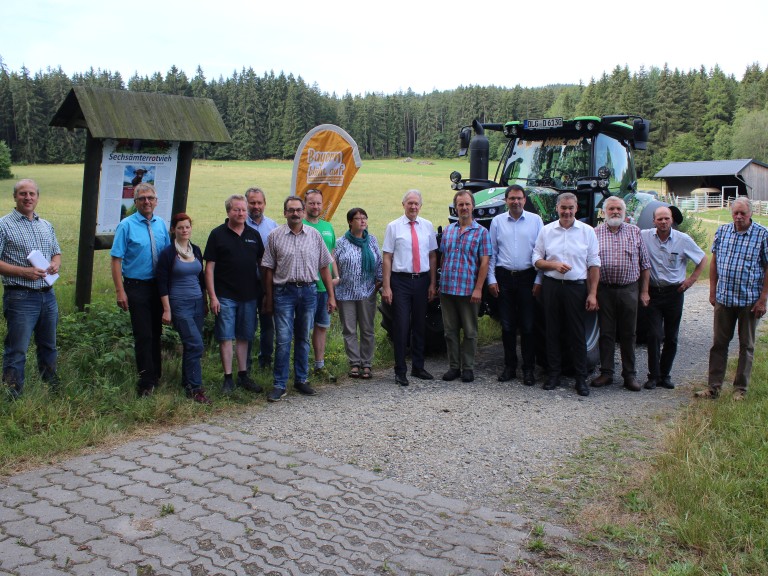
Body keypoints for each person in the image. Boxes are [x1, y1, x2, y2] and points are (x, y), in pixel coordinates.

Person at [261, 196, 336, 402]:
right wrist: (268, 297)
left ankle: (301, 380)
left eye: (298, 210)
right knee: (284, 340)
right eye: (291, 210)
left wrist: (331, 295)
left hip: (309, 292)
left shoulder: (314, 235)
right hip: (283, 292)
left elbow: (324, 267)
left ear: (303, 212)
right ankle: (279, 384)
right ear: (285, 213)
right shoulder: (274, 236)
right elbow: (267, 269)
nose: (295, 213)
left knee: (303, 338)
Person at [696, 197, 768, 401]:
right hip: (724, 298)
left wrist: (763, 299)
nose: (738, 217)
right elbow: (714, 262)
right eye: (735, 213)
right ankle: (713, 387)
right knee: (719, 343)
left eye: (742, 213)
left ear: (750, 214)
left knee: (747, 345)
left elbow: (767, 266)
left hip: (749, 300)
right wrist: (712, 291)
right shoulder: (723, 231)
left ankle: (740, 390)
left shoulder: (762, 234)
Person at [533, 192, 600, 396]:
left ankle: (581, 378)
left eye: (571, 208)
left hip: (576, 287)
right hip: (552, 286)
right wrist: (552, 264)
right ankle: (554, 374)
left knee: (577, 334)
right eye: (563, 208)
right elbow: (536, 258)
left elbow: (594, 264)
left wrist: (593, 294)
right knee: (552, 331)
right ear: (557, 208)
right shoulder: (547, 231)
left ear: (576, 208)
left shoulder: (587, 231)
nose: (567, 211)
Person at [0, 179, 61, 398]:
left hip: (47, 295)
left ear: (37, 197)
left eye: (32, 194)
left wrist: (55, 264)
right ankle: (12, 395)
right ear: (14, 197)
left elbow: (56, 251)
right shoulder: (4, 225)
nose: (28, 198)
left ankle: (52, 391)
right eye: (23, 194)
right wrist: (23, 272)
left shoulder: (45, 225)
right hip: (20, 297)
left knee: (49, 346)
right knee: (17, 350)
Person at [111, 182, 171, 397]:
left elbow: (166, 257)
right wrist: (120, 291)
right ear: (135, 202)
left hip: (158, 286)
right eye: (142, 198)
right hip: (136, 286)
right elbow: (116, 259)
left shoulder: (161, 224)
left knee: (156, 332)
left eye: (150, 198)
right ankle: (145, 382)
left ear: (156, 201)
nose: (147, 202)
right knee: (143, 334)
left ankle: (156, 375)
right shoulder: (126, 225)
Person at [204, 194, 264, 395]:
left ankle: (243, 375)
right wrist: (212, 296)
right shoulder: (217, 234)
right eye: (236, 209)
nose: (240, 213)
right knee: (225, 336)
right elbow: (209, 268)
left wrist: (265, 292)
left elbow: (262, 265)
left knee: (244, 336)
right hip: (225, 295)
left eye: (243, 209)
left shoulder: (253, 235)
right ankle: (228, 378)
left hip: (249, 295)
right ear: (228, 211)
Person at [641, 206, 706, 390]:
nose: (663, 222)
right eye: (659, 219)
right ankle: (653, 376)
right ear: (654, 221)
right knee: (653, 335)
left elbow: (702, 259)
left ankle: (665, 375)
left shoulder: (683, 240)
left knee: (671, 336)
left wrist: (691, 280)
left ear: (672, 220)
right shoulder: (645, 236)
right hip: (653, 292)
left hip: (674, 293)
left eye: (666, 219)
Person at [591, 197, 651, 392]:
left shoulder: (635, 232)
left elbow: (645, 265)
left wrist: (644, 291)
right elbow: (589, 265)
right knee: (606, 333)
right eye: (611, 209)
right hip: (604, 290)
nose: (615, 212)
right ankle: (606, 373)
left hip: (629, 290)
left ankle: (629, 375)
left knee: (628, 333)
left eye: (618, 209)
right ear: (604, 212)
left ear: (624, 212)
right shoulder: (595, 233)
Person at [381, 190, 438, 387]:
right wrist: (387, 286)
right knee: (402, 326)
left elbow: (432, 256)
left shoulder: (427, 226)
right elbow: (387, 257)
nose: (413, 207)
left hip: (422, 280)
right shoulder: (393, 227)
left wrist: (432, 283)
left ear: (420, 206)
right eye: (410, 203)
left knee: (420, 326)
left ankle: (418, 367)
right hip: (401, 281)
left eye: (416, 204)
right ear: (403, 204)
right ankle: (400, 370)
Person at [487, 184, 543, 386]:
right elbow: (491, 252)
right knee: (508, 326)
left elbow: (541, 252)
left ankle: (528, 369)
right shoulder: (497, 222)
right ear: (506, 201)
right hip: (504, 278)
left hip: (528, 277)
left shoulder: (536, 221)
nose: (516, 202)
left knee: (528, 326)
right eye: (512, 198)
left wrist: (539, 280)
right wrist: (491, 279)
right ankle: (510, 367)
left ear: (524, 200)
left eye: (519, 198)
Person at [157, 213, 211, 404]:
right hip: (179, 304)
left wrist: (205, 301)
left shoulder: (195, 250)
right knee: (196, 344)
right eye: (180, 227)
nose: (184, 230)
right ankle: (196, 388)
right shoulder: (168, 253)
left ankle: (187, 384)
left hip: (197, 302)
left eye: (187, 227)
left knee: (191, 345)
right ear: (173, 230)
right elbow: (162, 283)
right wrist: (167, 309)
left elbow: (201, 278)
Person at [439, 191, 492, 383]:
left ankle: (468, 367)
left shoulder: (481, 232)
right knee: (450, 331)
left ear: (473, 207)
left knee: (470, 332)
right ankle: (454, 367)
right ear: (456, 207)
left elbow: (484, 263)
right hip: (447, 289)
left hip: (469, 290)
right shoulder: (448, 231)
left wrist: (479, 288)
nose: (464, 208)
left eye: (467, 204)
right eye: (460, 205)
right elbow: (443, 257)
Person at [334, 207, 383, 379]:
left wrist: (379, 284)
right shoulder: (341, 242)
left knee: (367, 329)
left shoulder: (372, 241)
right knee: (349, 330)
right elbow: (334, 266)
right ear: (350, 222)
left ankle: (367, 363)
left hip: (367, 293)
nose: (362, 221)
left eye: (364, 217)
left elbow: (379, 265)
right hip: (345, 293)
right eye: (357, 218)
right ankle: (354, 363)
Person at [303, 189, 339, 383]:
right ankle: (302, 367)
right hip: (306, 286)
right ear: (305, 204)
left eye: (318, 203)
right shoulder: (300, 225)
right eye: (311, 203)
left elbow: (331, 255)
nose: (315, 207)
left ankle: (319, 365)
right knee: (304, 328)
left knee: (321, 326)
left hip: (325, 288)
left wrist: (336, 277)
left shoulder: (328, 227)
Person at [245, 187, 278, 371]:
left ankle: (266, 361)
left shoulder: (273, 226)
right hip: (247, 284)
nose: (256, 206)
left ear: (265, 204)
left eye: (259, 202)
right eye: (252, 202)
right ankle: (246, 363)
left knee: (268, 325)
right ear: (246, 203)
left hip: (268, 284)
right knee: (248, 325)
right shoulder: (241, 224)